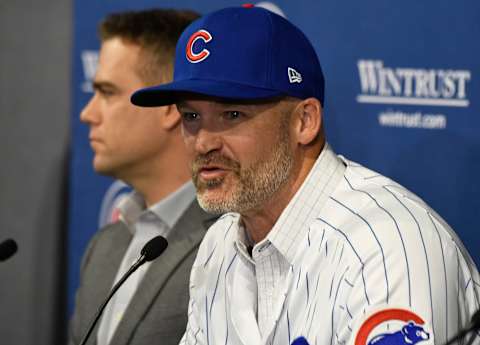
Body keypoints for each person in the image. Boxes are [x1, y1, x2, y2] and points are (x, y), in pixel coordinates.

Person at [131, 5, 480, 345]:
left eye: (232, 114)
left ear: (305, 121)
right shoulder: (218, 246)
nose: (203, 142)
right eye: (191, 117)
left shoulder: (388, 249)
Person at [68, 9, 216, 345]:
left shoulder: (230, 243)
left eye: (107, 92)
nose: (87, 113)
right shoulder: (103, 247)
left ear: (166, 107)